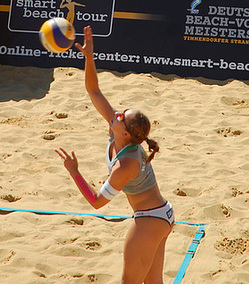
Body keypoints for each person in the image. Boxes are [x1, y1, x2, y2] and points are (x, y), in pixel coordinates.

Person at [56, 25, 174, 284]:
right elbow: (94, 90)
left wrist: (75, 173)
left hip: (150, 220)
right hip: (160, 215)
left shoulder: (127, 164)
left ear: (125, 133)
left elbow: (97, 202)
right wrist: (89, 57)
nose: (116, 114)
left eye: (121, 117)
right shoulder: (118, 133)